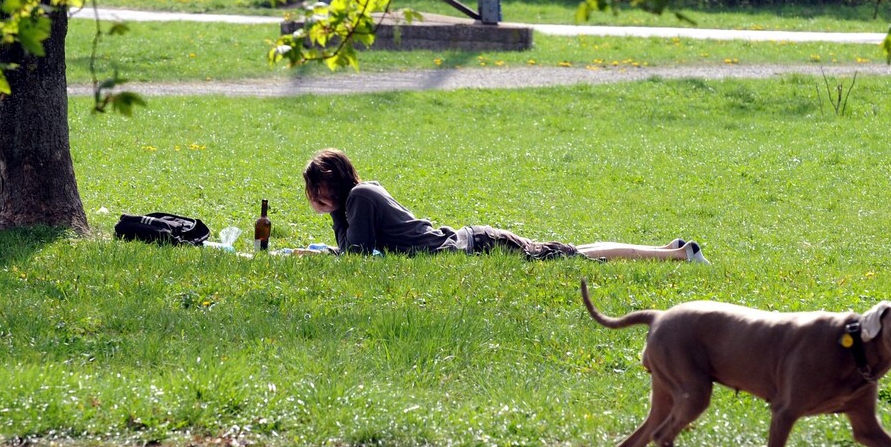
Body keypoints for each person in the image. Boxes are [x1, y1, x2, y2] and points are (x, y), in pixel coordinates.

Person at [301, 148, 710, 263]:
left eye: (320, 188)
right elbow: (359, 251)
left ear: (336, 181)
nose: (317, 197)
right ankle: (672, 250)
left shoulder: (359, 198)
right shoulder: (359, 197)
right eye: (313, 191)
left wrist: (328, 227)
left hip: (476, 245)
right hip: (472, 242)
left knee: (575, 255)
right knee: (573, 252)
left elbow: (357, 256)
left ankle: (678, 254)